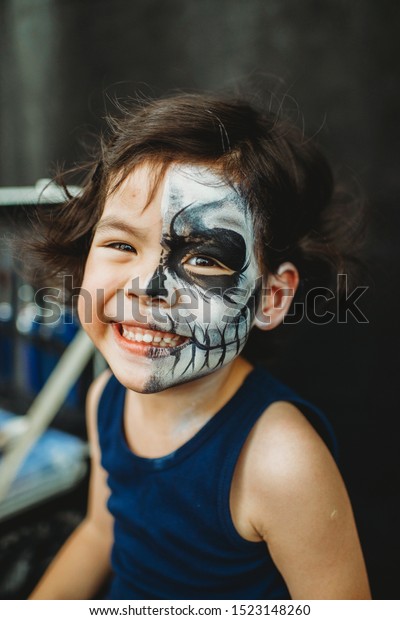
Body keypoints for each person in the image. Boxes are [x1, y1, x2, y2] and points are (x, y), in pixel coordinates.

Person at [28, 93, 370, 600]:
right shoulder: (108, 400)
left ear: (270, 299)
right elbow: (101, 533)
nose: (148, 287)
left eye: (205, 259)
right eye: (121, 245)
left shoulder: (280, 461)